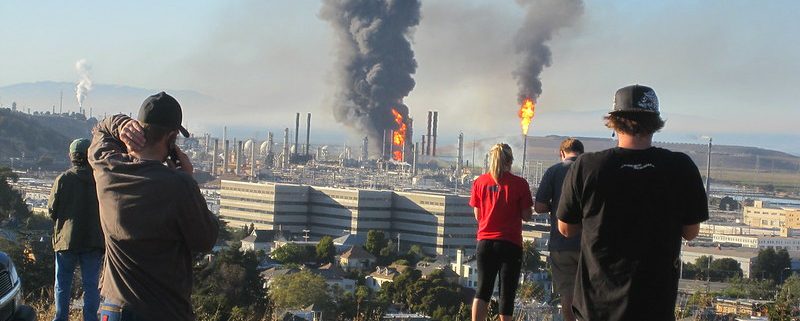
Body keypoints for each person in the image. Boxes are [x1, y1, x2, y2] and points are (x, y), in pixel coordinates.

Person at [556, 85, 708, 321]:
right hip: (654, 303)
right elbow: (691, 232)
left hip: (596, 304)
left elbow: (566, 228)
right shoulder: (680, 167)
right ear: (655, 122)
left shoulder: (588, 167)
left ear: (614, 122)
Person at [89, 92, 219, 321]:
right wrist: (189, 181)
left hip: (113, 307)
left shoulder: (108, 170)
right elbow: (205, 239)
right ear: (171, 138)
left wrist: (121, 124)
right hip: (163, 310)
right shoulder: (179, 186)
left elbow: (100, 130)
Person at [469, 143, 533, 321]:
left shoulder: (480, 182)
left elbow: (478, 215)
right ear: (510, 161)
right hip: (510, 244)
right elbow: (527, 215)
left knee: (483, 289)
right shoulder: (520, 184)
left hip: (485, 243)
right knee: (507, 292)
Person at [48, 138, 104, 321]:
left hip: (67, 239)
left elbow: (51, 210)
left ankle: (61, 318)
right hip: (93, 240)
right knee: (91, 285)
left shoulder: (63, 179)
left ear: (71, 156)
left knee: (62, 284)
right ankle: (90, 318)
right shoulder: (99, 180)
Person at [534, 138, 583, 321]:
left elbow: (539, 206)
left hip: (561, 243)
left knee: (567, 296)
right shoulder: (592, 170)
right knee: (590, 294)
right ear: (581, 153)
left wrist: (556, 207)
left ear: (562, 153)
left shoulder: (553, 171)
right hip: (588, 244)